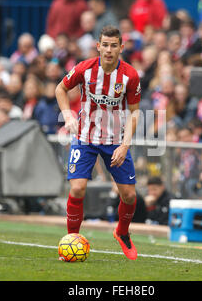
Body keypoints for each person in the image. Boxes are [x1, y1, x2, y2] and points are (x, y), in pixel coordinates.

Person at [55, 25, 141, 260]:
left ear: (121, 47)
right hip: (85, 138)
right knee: (77, 188)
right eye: (105, 45)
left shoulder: (130, 76)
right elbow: (61, 88)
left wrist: (124, 145)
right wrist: (68, 115)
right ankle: (71, 240)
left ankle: (122, 233)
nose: (109, 50)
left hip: (115, 142)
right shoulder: (85, 68)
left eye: (114, 45)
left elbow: (134, 113)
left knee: (130, 196)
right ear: (98, 46)